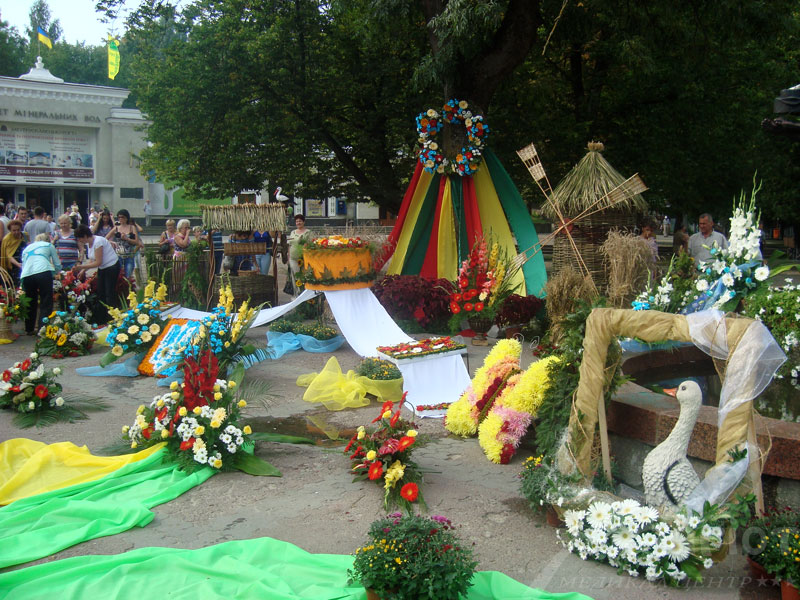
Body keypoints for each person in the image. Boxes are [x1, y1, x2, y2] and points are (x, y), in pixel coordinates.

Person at [72, 224, 120, 325]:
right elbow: (92, 259)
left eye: (80, 238)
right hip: (103, 268)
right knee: (101, 293)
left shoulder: (98, 242)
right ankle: (101, 318)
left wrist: (81, 267)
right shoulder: (89, 244)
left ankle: (112, 318)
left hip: (111, 267)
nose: (79, 240)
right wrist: (83, 270)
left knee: (109, 293)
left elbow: (98, 262)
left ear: (85, 236)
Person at [20, 233, 61, 335]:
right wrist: (56, 273)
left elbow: (24, 264)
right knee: (46, 300)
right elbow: (57, 263)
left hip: (27, 275)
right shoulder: (49, 245)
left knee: (30, 301)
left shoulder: (27, 248)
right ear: (47, 240)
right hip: (43, 271)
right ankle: (42, 329)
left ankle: (29, 328)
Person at [107, 209, 143, 278]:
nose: (120, 219)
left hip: (129, 255)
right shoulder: (116, 228)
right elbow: (105, 238)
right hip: (118, 255)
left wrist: (127, 239)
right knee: (118, 275)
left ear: (126, 218)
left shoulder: (132, 228)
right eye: (119, 217)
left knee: (128, 275)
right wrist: (112, 242)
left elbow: (137, 242)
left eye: (122, 217)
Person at [287, 214, 312, 295]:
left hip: (304, 258)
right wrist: (288, 257)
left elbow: (311, 244)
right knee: (295, 276)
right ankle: (296, 295)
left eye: (300, 221)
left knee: (304, 277)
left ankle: (304, 295)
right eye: (297, 221)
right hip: (293, 258)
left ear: (304, 222)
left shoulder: (308, 232)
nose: (298, 223)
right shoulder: (292, 232)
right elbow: (289, 245)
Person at [0, 220, 26, 286]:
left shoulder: (25, 235)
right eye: (14, 230)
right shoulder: (7, 239)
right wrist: (18, 264)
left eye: (18, 230)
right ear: (10, 230)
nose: (16, 232)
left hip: (24, 263)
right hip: (13, 267)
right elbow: (9, 256)